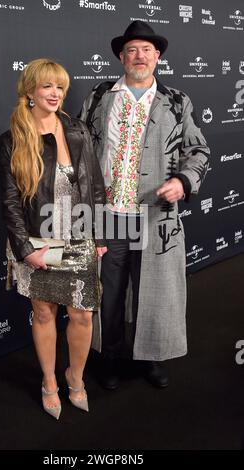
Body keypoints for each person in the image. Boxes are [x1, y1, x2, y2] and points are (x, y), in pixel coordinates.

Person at [80, 21, 210, 390]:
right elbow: (79, 148)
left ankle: (151, 357)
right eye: (132, 50)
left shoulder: (177, 101)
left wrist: (183, 181)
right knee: (110, 290)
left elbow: (198, 150)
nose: (140, 56)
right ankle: (110, 357)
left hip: (155, 216)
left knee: (156, 289)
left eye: (147, 50)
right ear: (122, 56)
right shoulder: (99, 96)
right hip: (108, 216)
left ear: (158, 57)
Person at [0, 58, 107, 419]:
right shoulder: (13, 138)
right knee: (44, 313)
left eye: (60, 87)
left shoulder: (77, 129)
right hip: (39, 240)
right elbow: (10, 201)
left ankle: (75, 378)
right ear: (29, 91)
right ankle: (49, 381)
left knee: (83, 315)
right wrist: (24, 249)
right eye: (47, 86)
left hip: (78, 237)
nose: (55, 93)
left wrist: (102, 232)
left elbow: (94, 185)